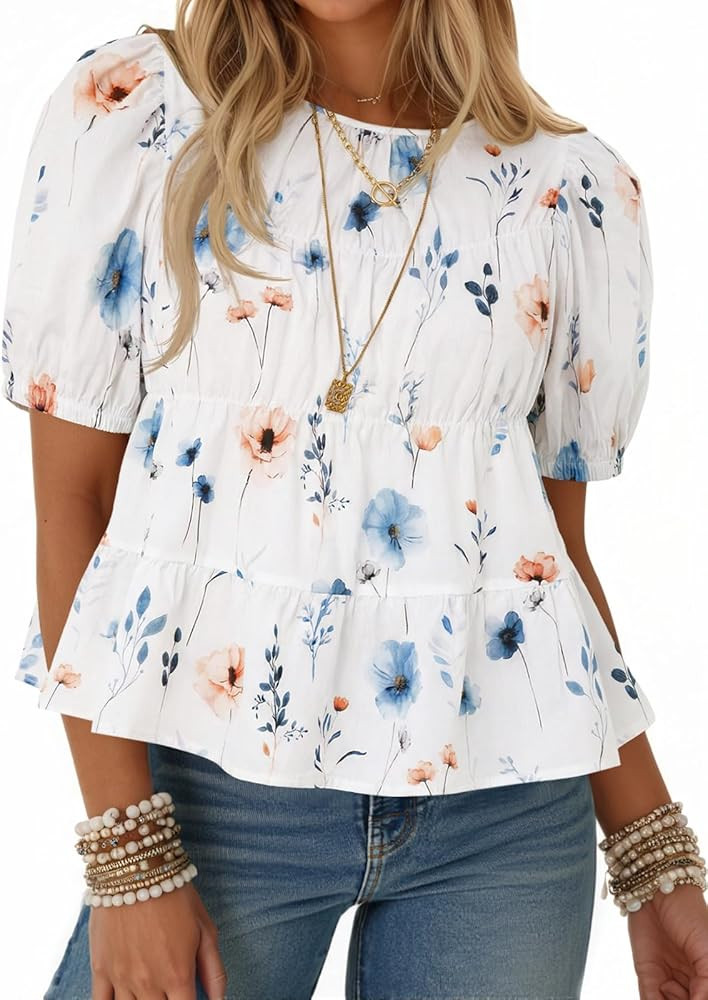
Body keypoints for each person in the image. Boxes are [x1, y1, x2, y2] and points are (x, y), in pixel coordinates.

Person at [2, 1, 707, 998]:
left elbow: (546, 563)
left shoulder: (563, 186)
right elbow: (74, 502)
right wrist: (129, 856)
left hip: (506, 822)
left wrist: (653, 856)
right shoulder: (138, 113)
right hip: (215, 798)